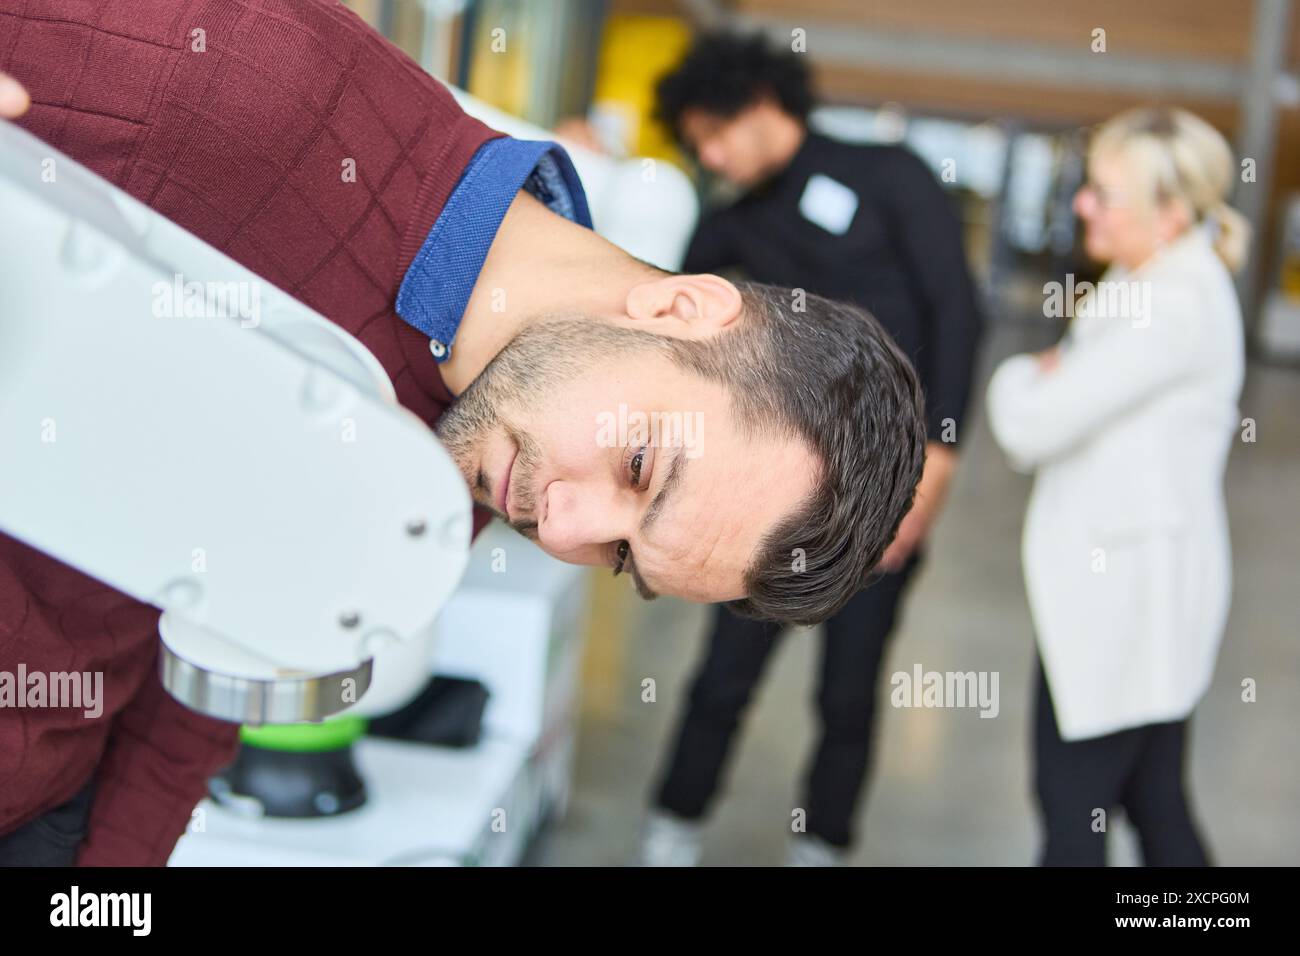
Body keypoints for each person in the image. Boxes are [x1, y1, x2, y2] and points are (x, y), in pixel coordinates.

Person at [0, 2, 923, 865]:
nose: (558, 528)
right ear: (681, 307)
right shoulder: (240, 82)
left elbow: (209, 676)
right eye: (640, 467)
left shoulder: (463, 458)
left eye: (615, 556)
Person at [639, 32, 983, 866]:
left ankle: (823, 846)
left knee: (848, 688)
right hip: (769, 491)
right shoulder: (730, 222)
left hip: (888, 489)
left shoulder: (890, 177)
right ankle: (670, 831)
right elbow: (662, 328)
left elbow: (959, 316)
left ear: (759, 98)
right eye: (696, 145)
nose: (709, 152)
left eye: (712, 131)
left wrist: (935, 468)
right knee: (725, 673)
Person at [986, 107, 1248, 865]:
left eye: (1105, 193)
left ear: (1169, 214)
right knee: (1152, 798)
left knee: (1075, 810)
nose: (1082, 205)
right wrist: (1051, 376)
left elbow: (1032, 424)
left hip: (1128, 598)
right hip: (1131, 592)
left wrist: (1019, 376)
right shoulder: (1154, 278)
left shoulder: (1171, 303)